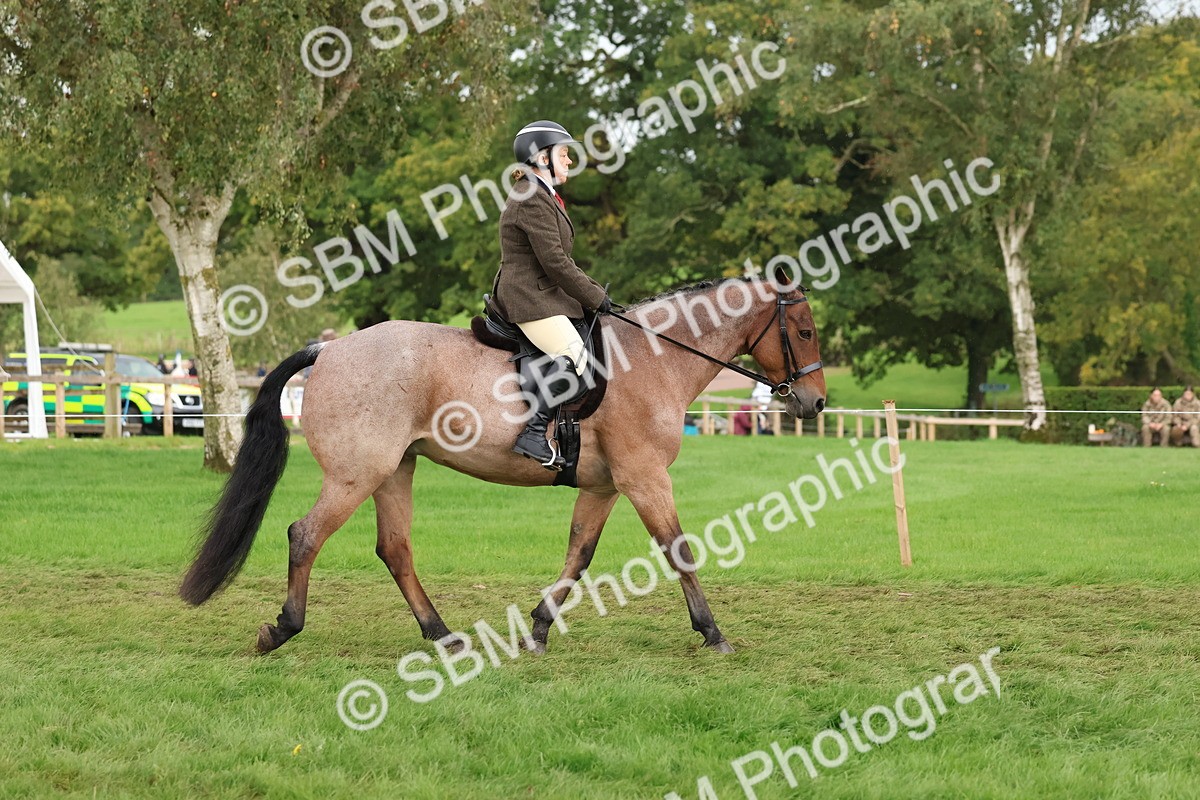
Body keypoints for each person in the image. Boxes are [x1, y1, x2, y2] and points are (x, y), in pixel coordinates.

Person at [491, 120, 611, 470]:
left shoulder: (543, 194)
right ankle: (532, 434)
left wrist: (592, 295)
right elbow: (556, 262)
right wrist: (593, 297)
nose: (570, 160)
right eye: (564, 153)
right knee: (574, 355)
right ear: (542, 158)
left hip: (542, 293)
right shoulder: (530, 196)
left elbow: (560, 261)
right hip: (529, 298)